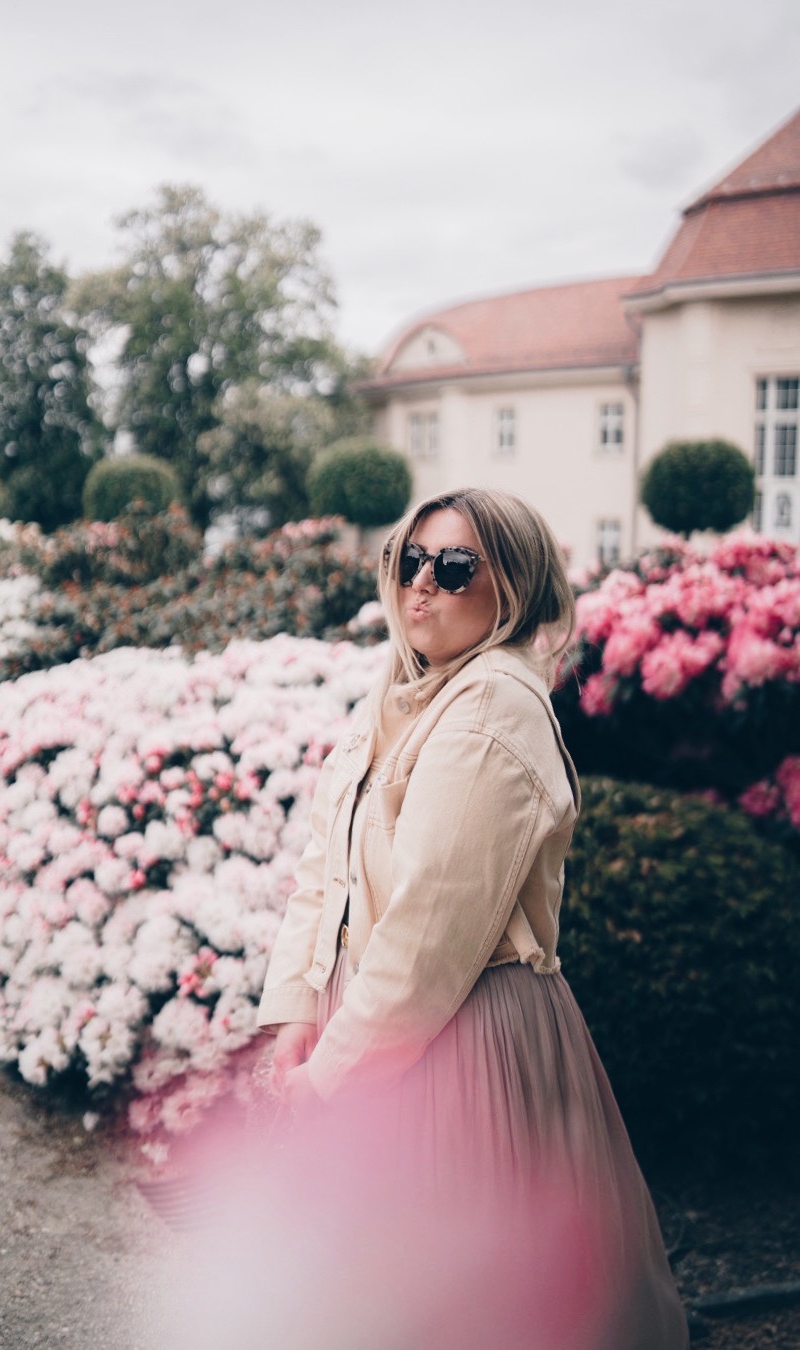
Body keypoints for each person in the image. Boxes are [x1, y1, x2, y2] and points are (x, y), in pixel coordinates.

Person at [256, 487, 689, 1349]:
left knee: (461, 1304)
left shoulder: (489, 706)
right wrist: (299, 1010)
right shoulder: (412, 689)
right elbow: (324, 868)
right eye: (409, 559)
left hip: (458, 1041)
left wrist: (334, 1076)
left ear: (513, 588)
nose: (422, 582)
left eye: (455, 567)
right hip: (381, 1022)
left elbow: (429, 935)